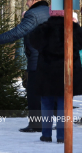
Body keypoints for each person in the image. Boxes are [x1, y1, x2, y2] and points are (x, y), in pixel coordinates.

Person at [0, 0, 49, 133]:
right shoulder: (48, 12)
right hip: (49, 59)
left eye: (27, 0)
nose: (26, 3)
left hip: (37, 59)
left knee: (33, 93)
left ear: (33, 0)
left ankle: (36, 124)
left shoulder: (33, 14)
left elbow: (17, 32)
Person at [29, 8, 82, 143]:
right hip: (67, 72)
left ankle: (46, 134)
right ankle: (62, 135)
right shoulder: (74, 28)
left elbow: (33, 42)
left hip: (47, 72)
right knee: (64, 104)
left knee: (46, 103)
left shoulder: (43, 28)